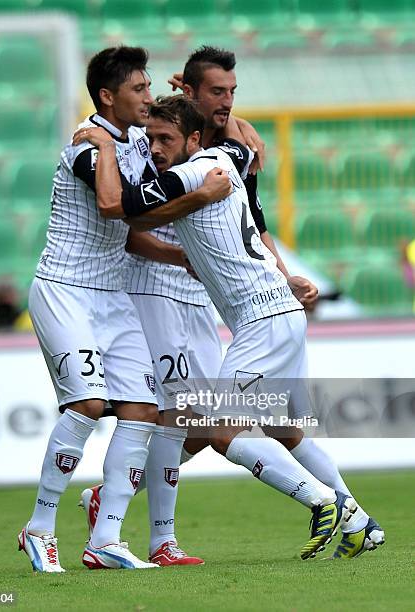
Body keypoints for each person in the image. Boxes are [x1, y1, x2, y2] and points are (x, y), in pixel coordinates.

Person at [78, 95, 385, 560]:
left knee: (222, 430)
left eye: (166, 139)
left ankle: (323, 501)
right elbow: (242, 146)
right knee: (269, 427)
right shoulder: (227, 156)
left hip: (260, 320)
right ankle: (361, 522)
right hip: (278, 313)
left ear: (194, 139)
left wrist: (104, 144)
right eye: (152, 138)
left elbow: (128, 212)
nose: (156, 148)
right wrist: (235, 123)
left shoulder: (191, 173)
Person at [17, 47, 231, 573]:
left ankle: (106, 538)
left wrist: (182, 256)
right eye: (138, 88)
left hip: (113, 296)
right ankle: (40, 528)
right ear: (108, 97)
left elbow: (136, 228)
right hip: (65, 289)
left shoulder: (139, 139)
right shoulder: (87, 149)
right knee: (88, 406)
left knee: (144, 409)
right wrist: (200, 198)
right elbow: (118, 207)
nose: (146, 95)